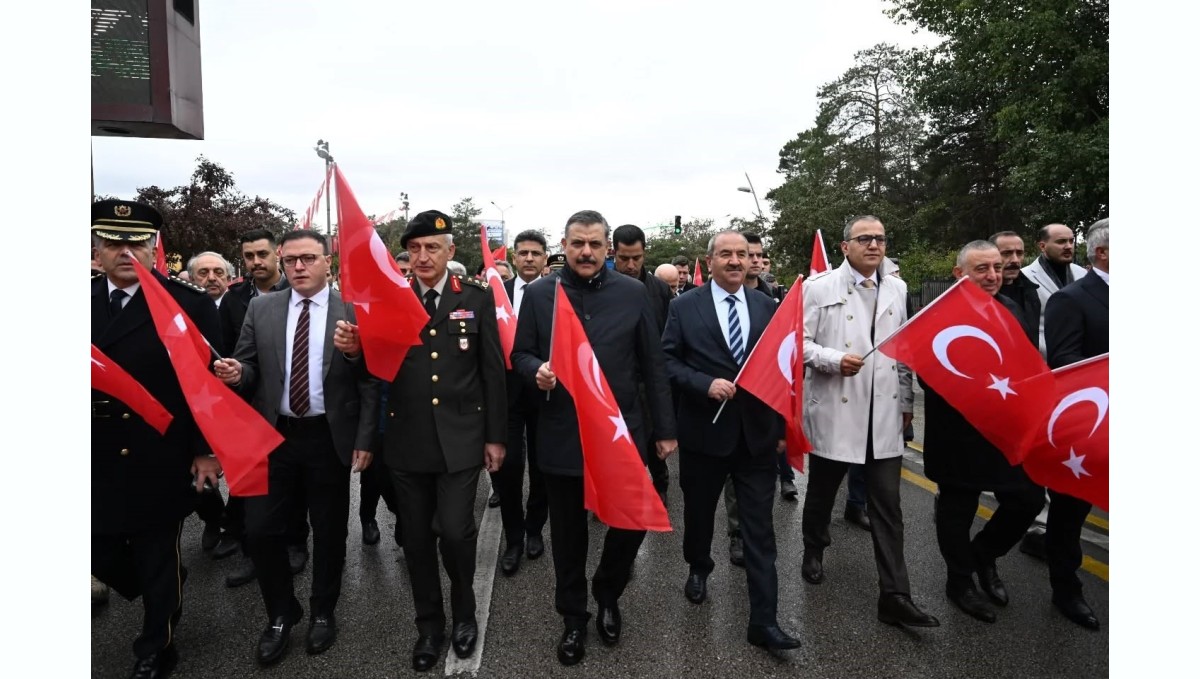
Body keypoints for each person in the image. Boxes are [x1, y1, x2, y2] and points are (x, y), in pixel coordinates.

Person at [512, 210, 677, 666]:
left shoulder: (633, 293)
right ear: (563, 247)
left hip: (621, 434)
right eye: (577, 244)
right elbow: (521, 352)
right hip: (563, 432)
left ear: (607, 249)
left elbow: (652, 364)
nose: (586, 252)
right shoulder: (542, 294)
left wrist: (664, 430)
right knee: (567, 536)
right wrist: (536, 371)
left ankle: (608, 591)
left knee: (630, 522)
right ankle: (573, 616)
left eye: (595, 244)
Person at [213, 229, 381, 666]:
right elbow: (249, 365)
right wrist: (237, 373)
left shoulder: (353, 309)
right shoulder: (262, 307)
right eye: (291, 260)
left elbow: (370, 379)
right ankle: (281, 613)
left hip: (328, 437)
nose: (299, 267)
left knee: (329, 532)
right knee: (261, 531)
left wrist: (365, 437)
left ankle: (324, 610)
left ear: (329, 262)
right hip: (273, 436)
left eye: (308, 258)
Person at [91, 199, 223, 679]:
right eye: (113, 242)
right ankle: (160, 584)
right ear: (97, 248)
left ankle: (155, 646)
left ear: (153, 249)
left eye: (137, 243)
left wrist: (206, 451)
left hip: (157, 448)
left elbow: (206, 389)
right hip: (93, 452)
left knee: (156, 550)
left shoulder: (186, 303)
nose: (125, 251)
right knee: (97, 549)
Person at [661, 229, 801, 651]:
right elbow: (665, 360)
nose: (737, 261)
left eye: (743, 254)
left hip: (756, 438)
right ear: (712, 260)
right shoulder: (685, 307)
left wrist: (781, 430)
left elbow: (782, 368)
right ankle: (699, 566)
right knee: (700, 515)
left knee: (760, 531)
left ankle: (764, 621)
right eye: (727, 254)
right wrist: (704, 383)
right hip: (705, 435)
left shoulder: (767, 306)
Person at [798, 215, 938, 628]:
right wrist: (832, 359)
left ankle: (894, 594)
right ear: (845, 246)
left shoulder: (898, 286)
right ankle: (814, 546)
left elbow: (903, 348)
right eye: (865, 239)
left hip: (884, 410)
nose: (874, 245)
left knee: (888, 505)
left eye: (879, 238)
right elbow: (799, 344)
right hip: (838, 404)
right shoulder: (817, 288)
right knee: (822, 491)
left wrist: (906, 398)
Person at [384, 210, 508, 672]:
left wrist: (496, 437)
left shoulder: (473, 299)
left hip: (460, 438)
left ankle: (465, 614)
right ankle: (429, 626)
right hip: (407, 439)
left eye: (432, 248)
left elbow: (493, 373)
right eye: (414, 249)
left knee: (455, 533)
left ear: (450, 252)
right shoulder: (390, 300)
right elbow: (373, 370)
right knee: (415, 540)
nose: (422, 257)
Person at [923, 241, 1046, 624]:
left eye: (997, 267)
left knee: (1027, 500)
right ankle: (959, 582)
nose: (993, 276)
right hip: (958, 433)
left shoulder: (1011, 307)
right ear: (960, 273)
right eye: (982, 269)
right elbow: (929, 377)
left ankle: (983, 557)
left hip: (1005, 431)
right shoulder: (936, 316)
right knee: (958, 508)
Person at [214, 229, 311, 587]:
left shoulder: (300, 290)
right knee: (251, 489)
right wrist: (233, 375)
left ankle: (296, 542)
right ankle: (253, 553)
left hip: (291, 408)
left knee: (295, 485)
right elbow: (226, 347)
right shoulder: (235, 297)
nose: (256, 262)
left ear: (278, 255)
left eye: (262, 255)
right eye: (249, 256)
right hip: (248, 408)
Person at [1040, 218, 1109, 631]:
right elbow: (1064, 362)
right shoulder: (1072, 299)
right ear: (1104, 252)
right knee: (1069, 514)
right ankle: (1066, 588)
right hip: (1090, 425)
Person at [493, 229, 551, 576]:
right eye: (523, 253)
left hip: (546, 392)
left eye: (535, 253)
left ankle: (534, 529)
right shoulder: (495, 295)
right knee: (508, 467)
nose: (529, 258)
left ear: (545, 258)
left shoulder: (557, 294)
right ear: (514, 258)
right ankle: (513, 537)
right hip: (506, 394)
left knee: (543, 467)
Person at [612, 223, 674, 499]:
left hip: (649, 381)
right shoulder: (603, 287)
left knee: (653, 443)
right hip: (614, 383)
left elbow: (667, 335)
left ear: (644, 254)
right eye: (624, 258)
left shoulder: (659, 290)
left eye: (636, 258)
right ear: (613, 254)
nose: (630, 264)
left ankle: (659, 488)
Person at [183, 251, 236, 551]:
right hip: (197, 404)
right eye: (203, 273)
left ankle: (239, 527)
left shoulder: (244, 305)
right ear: (191, 277)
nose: (211, 278)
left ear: (228, 278)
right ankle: (215, 517)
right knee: (197, 474)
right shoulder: (179, 307)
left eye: (218, 272)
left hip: (236, 402)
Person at [1021, 223, 1087, 356]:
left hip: (1082, 352)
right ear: (1042, 246)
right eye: (1061, 242)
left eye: (1071, 241)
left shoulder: (1082, 273)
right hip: (1045, 354)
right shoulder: (1024, 277)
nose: (1068, 246)